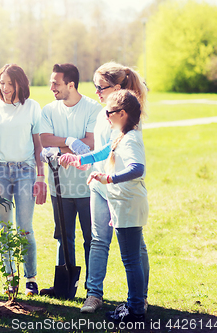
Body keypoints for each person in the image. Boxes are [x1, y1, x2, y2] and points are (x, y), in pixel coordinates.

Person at [58, 62, 149, 314]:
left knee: (134, 249)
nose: (96, 91)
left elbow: (131, 162)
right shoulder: (105, 114)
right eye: (95, 86)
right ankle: (94, 295)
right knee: (98, 241)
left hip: (119, 190)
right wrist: (81, 160)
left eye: (101, 87)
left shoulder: (128, 118)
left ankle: (137, 301)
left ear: (117, 87)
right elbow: (103, 150)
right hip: (99, 185)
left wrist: (108, 178)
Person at [0, 64, 46, 296]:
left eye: (9, 83)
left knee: (25, 227)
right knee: (4, 227)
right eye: (2, 83)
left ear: (20, 83)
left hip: (26, 171)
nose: (5, 88)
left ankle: (30, 278)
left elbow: (38, 146)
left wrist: (41, 176)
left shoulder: (32, 107)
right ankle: (9, 277)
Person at [39, 63, 101, 295]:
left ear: (71, 85)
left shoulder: (92, 109)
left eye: (56, 83)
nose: (51, 87)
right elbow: (45, 140)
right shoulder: (48, 110)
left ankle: (92, 289)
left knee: (90, 240)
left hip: (87, 188)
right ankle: (64, 288)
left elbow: (91, 144)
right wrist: (73, 142)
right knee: (63, 237)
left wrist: (64, 145)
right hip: (59, 188)